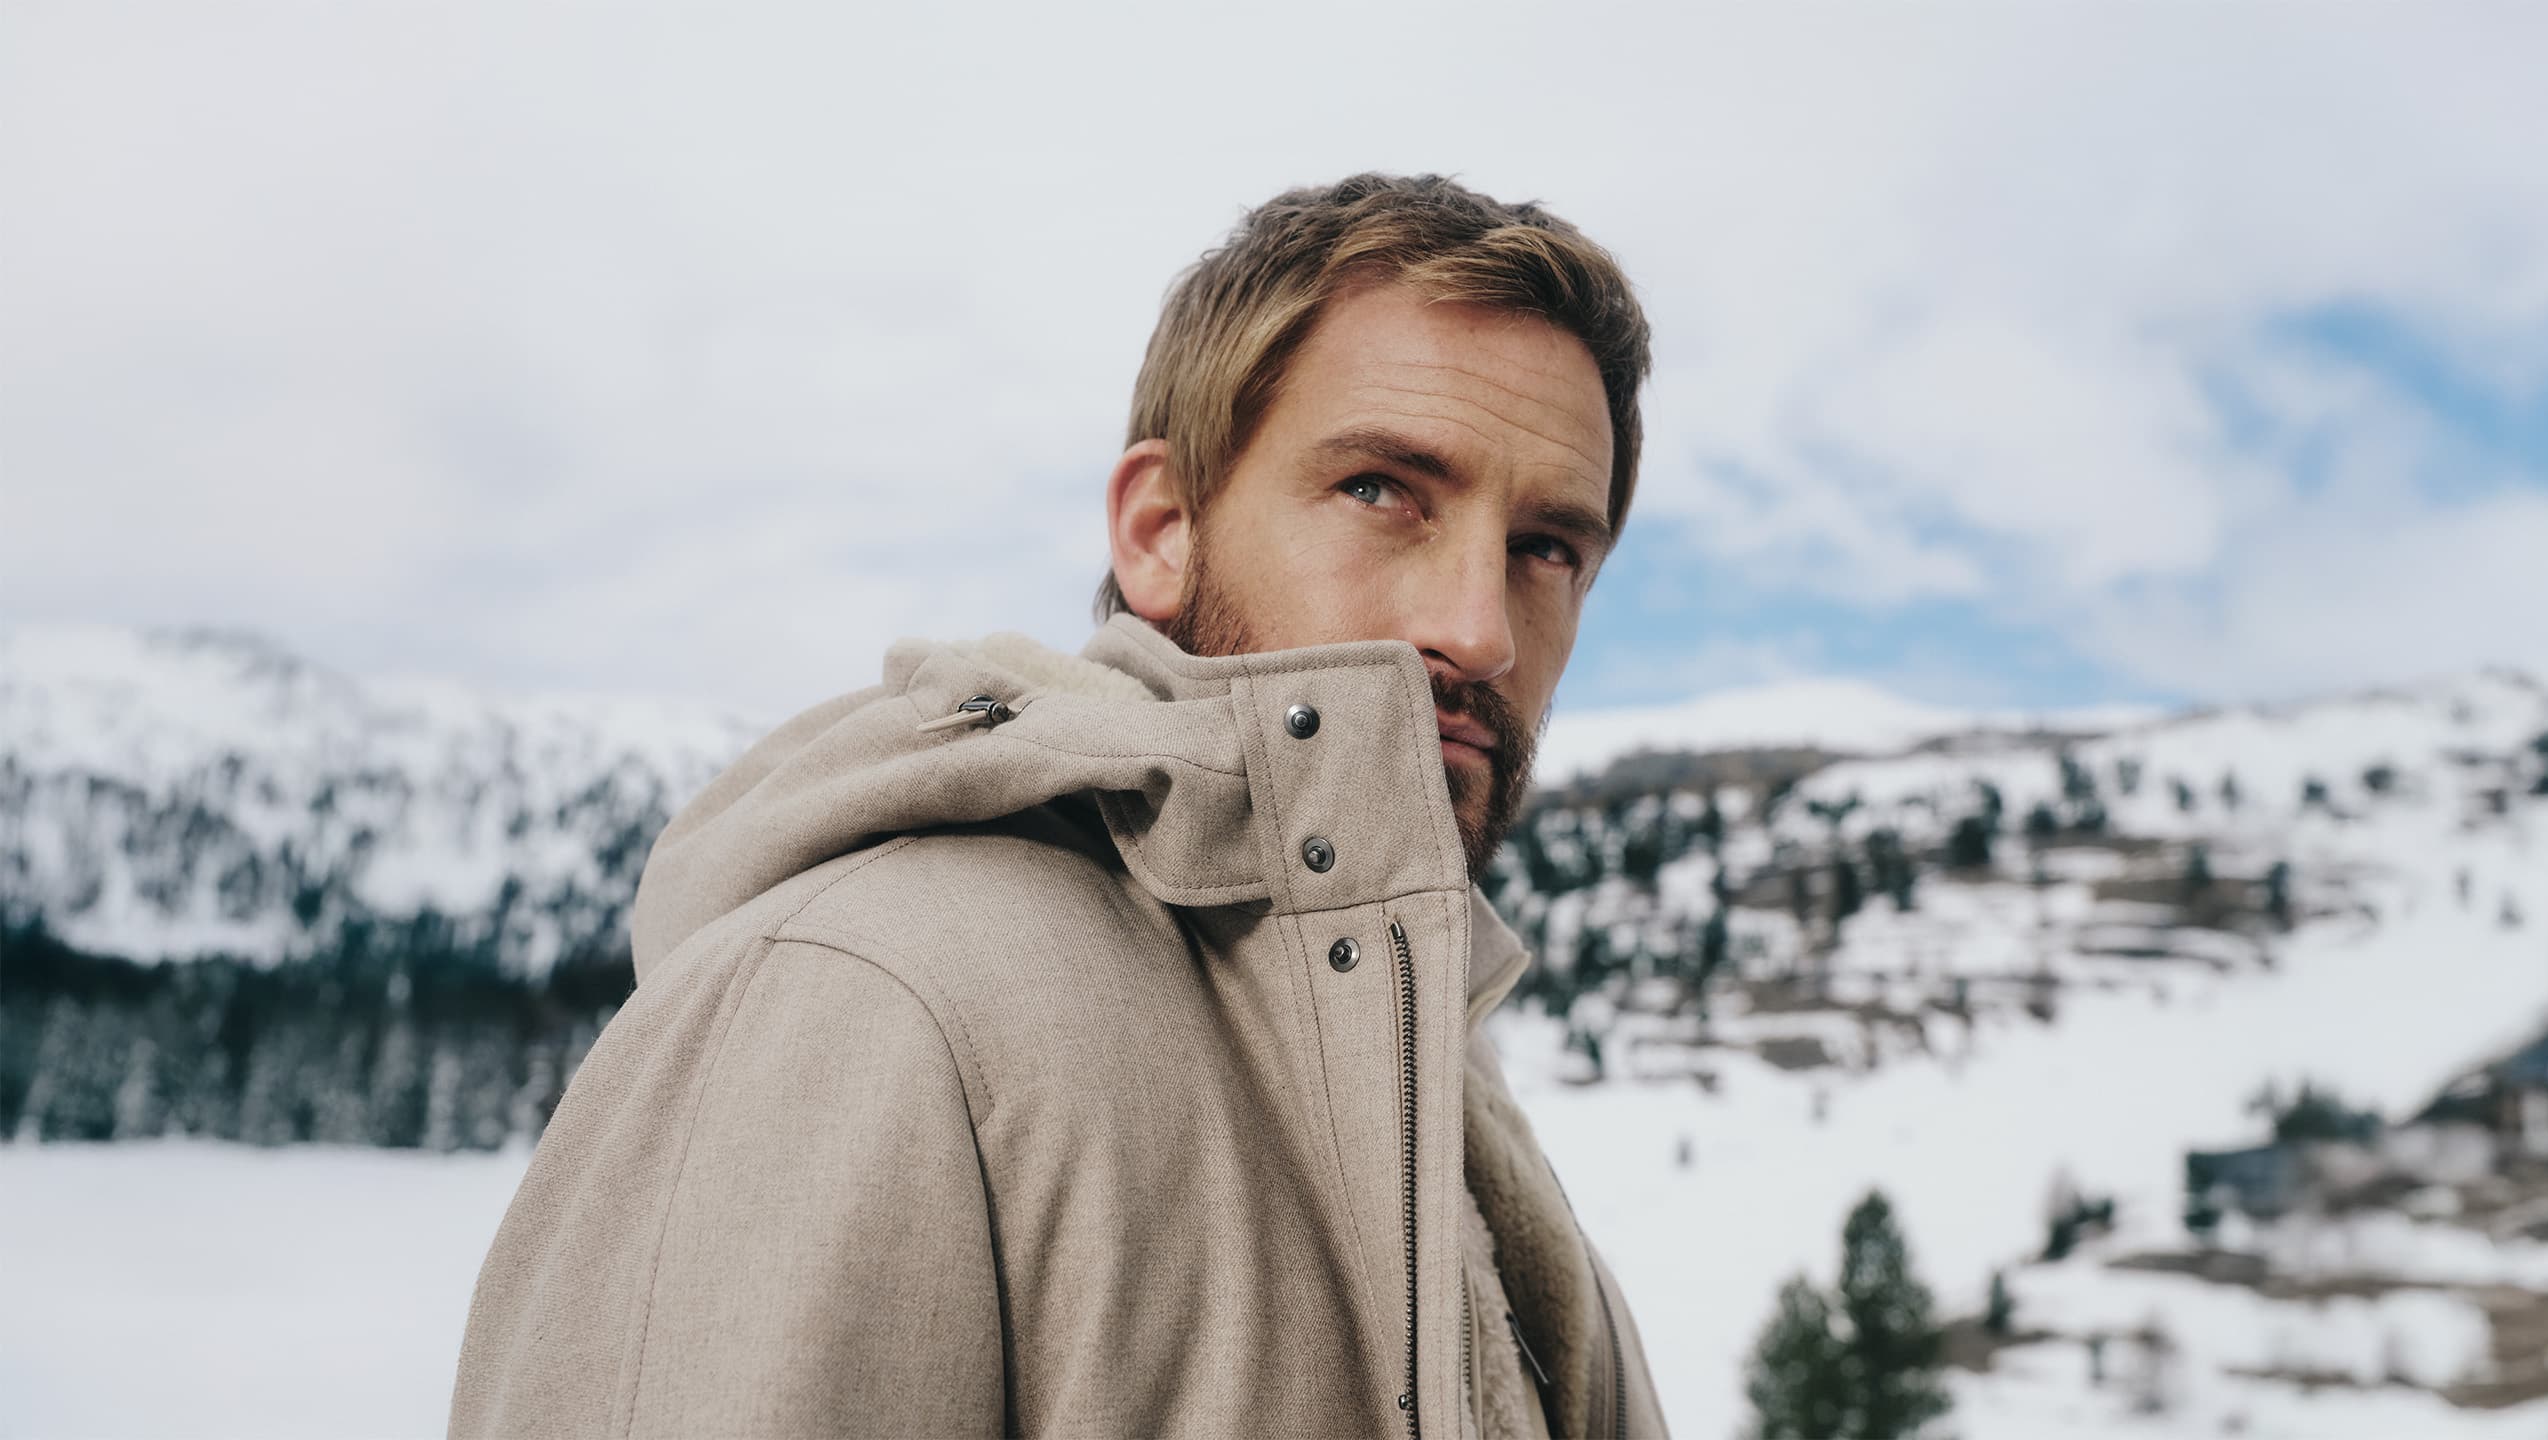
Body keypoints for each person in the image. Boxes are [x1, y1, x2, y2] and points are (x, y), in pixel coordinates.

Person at [450, 172, 1667, 1439]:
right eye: (1381, 489)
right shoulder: (869, 997)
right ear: (1161, 531)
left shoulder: (1442, 1087)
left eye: (1549, 548)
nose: (1480, 630)